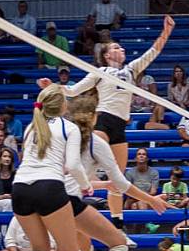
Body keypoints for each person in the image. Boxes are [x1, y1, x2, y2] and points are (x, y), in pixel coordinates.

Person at [41, 15, 174, 237]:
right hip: (103, 120)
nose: (120, 48)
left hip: (120, 126)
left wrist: (166, 31)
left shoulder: (131, 70)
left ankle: (117, 224)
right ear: (106, 54)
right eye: (115, 47)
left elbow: (153, 52)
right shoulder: (99, 72)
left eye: (121, 47)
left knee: (117, 179)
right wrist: (53, 86)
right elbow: (73, 91)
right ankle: (68, 196)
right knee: (86, 164)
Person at [0, 85, 109, 251]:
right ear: (62, 106)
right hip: (49, 187)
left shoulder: (31, 128)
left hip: (19, 189)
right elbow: (73, 165)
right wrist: (85, 185)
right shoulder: (68, 127)